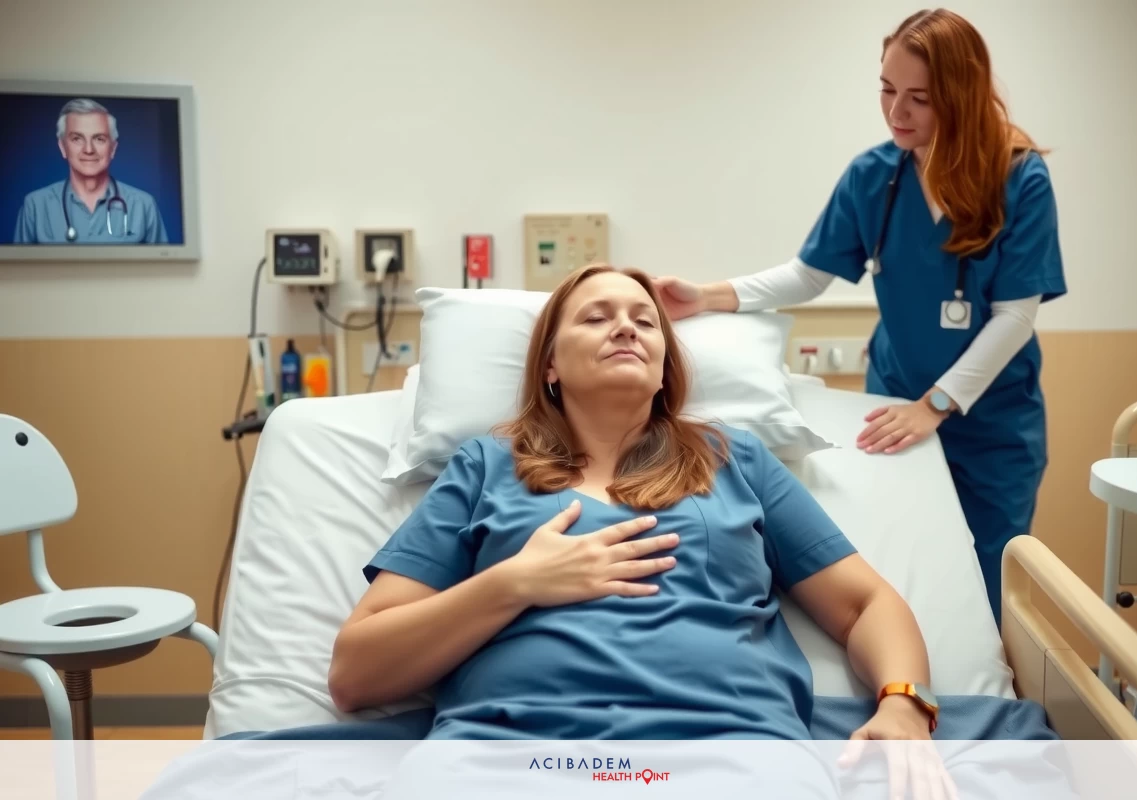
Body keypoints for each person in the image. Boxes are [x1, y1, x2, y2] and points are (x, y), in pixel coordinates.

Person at [328, 262, 945, 769]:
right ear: (549, 365)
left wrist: (903, 703)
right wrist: (514, 584)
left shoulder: (733, 459)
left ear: (663, 365)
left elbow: (867, 604)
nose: (625, 329)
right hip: (509, 761)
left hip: (730, 757)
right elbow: (357, 672)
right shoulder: (487, 466)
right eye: (596, 317)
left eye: (645, 321)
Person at [652, 8, 1067, 625]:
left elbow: (1014, 315)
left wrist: (936, 406)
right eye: (887, 89)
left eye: (919, 98)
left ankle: (983, 712)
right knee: (902, 568)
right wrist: (708, 295)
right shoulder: (875, 177)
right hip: (893, 402)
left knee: (987, 583)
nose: (896, 111)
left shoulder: (1019, 177)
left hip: (991, 423)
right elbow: (809, 274)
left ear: (963, 96)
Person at [13, 98, 169, 245]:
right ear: (62, 147)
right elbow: (17, 271)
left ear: (113, 148)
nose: (88, 149)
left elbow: (164, 270)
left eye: (99, 139)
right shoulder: (35, 206)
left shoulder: (143, 205)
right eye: (77, 139)